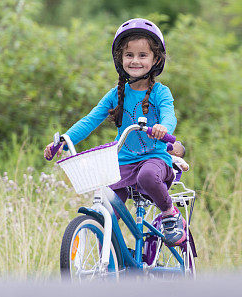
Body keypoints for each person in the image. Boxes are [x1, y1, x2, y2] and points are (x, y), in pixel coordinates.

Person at [43, 18, 188, 245]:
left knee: (147, 176)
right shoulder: (115, 95)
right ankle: (113, 258)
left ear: (156, 59)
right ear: (120, 59)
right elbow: (90, 120)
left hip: (154, 160)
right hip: (122, 163)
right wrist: (64, 139)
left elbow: (170, 115)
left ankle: (170, 213)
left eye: (143, 55)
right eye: (129, 55)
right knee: (105, 213)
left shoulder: (161, 92)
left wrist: (164, 128)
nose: (135, 60)